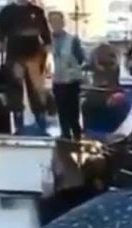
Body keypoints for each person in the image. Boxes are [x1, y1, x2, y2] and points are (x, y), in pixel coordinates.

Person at [0, 0, 53, 133]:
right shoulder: (7, 11)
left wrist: (47, 42)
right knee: (15, 89)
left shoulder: (37, 11)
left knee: (37, 89)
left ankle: (41, 122)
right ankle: (18, 124)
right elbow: (0, 29)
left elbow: (45, 30)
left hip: (34, 56)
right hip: (15, 56)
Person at [48, 11, 85, 140]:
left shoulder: (72, 40)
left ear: (63, 22)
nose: (56, 24)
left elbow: (80, 58)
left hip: (72, 80)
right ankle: (65, 135)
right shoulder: (48, 40)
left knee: (73, 110)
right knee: (61, 110)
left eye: (58, 21)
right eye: (53, 21)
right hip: (57, 80)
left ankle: (77, 135)